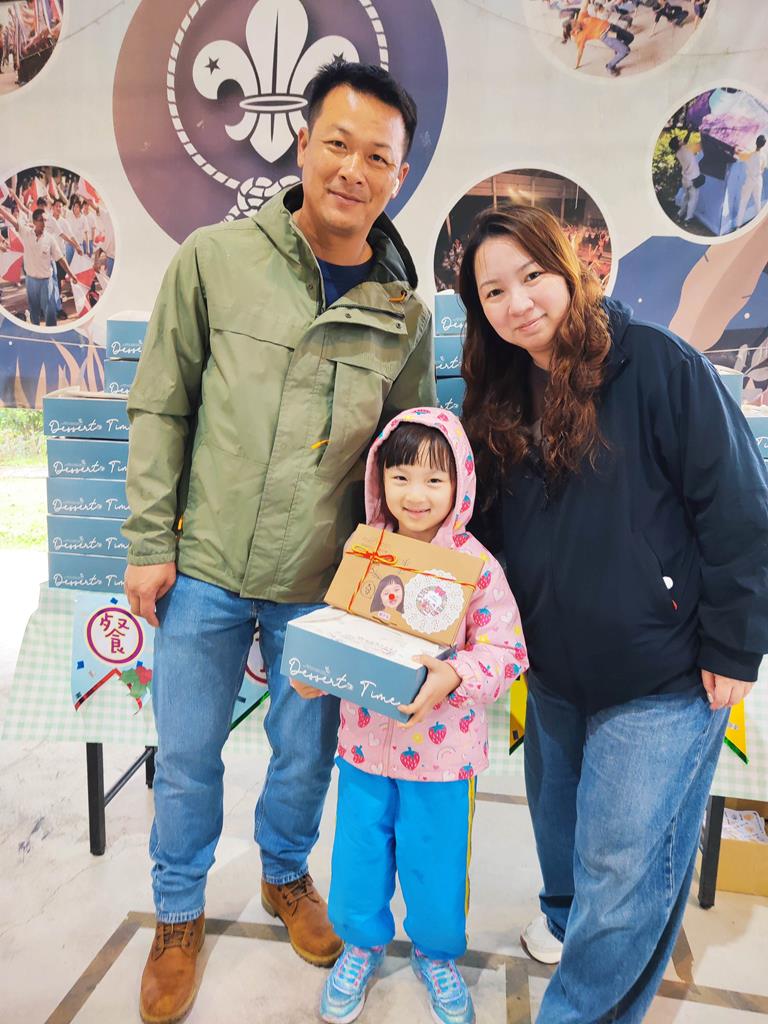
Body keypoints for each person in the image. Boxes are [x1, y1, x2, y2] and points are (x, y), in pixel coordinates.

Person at [123, 59, 436, 1024]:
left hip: (321, 587)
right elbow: (162, 404)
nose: (353, 169)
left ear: (398, 174)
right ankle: (179, 912)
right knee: (187, 756)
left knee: (305, 758)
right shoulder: (214, 260)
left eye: (377, 156)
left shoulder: (403, 312)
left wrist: (402, 589)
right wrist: (149, 540)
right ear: (302, 144)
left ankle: (286, 875)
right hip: (205, 569)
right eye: (337, 143)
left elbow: (412, 455)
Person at [457, 204, 768, 1022]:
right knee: (563, 840)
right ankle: (565, 921)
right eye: (494, 291)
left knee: (623, 870)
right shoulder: (496, 394)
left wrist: (735, 647)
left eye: (532, 276)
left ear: (570, 270)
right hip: (554, 675)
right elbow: (482, 533)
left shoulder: (659, 364)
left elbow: (739, 509)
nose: (518, 302)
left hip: (661, 675)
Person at [292, 409, 528, 1024]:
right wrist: (316, 669)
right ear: (380, 479)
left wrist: (455, 673)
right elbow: (341, 629)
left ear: (459, 484)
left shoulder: (477, 567)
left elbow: (507, 652)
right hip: (363, 749)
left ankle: (436, 954)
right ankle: (360, 945)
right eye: (400, 477)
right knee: (358, 858)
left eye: (433, 480)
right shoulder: (365, 551)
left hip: (444, 760)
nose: (415, 495)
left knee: (436, 864)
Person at [0, 204, 76, 325]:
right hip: (31, 281)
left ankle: (51, 331)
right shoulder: (26, 232)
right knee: (34, 311)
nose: (44, 224)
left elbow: (60, 258)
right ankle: (35, 330)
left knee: (50, 313)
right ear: (34, 221)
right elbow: (12, 220)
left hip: (46, 282)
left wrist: (71, 274)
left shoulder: (50, 239)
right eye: (41, 220)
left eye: (45, 220)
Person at [669, 130, 703, 224]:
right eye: (679, 140)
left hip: (686, 180)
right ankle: (688, 218)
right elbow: (686, 141)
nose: (681, 140)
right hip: (693, 179)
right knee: (693, 200)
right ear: (679, 144)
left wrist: (689, 132)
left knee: (686, 198)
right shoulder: (686, 149)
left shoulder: (678, 153)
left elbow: (684, 141)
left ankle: (680, 214)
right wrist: (689, 131)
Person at [736, 134, 767, 229]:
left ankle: (738, 226)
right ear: (763, 145)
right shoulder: (763, 156)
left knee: (743, 202)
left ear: (756, 142)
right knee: (757, 202)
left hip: (749, 180)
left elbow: (738, 155)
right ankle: (759, 225)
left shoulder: (749, 154)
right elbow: (762, 169)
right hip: (758, 180)